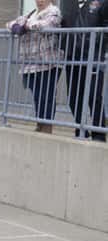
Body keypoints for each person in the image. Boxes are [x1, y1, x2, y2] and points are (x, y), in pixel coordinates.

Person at [7, 0, 62, 134]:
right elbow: (9, 24)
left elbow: (46, 25)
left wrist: (25, 26)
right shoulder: (32, 13)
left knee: (46, 95)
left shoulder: (53, 11)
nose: (40, 1)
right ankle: (40, 123)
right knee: (37, 95)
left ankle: (47, 125)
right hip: (30, 63)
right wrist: (16, 26)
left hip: (48, 62)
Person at [61, 0, 108, 141]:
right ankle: (81, 130)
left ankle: (98, 134)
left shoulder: (102, 2)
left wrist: (93, 40)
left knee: (94, 96)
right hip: (72, 57)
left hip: (93, 56)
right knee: (74, 98)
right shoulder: (68, 3)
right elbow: (64, 25)